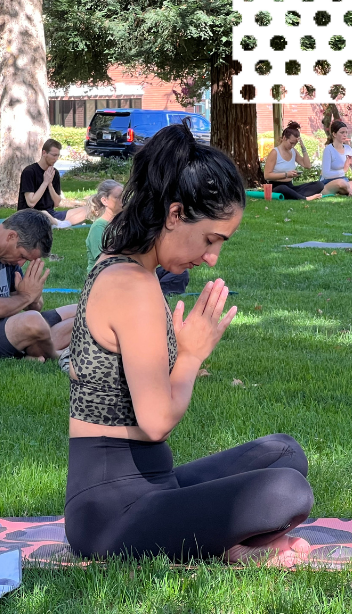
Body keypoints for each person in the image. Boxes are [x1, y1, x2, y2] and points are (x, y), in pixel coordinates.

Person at [64, 123, 316, 565]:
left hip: (148, 484)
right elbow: (157, 421)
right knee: (285, 490)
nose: (211, 257)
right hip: (111, 513)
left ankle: (220, 536)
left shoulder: (122, 266)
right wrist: (192, 356)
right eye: (211, 239)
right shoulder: (132, 286)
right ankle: (229, 543)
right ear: (175, 214)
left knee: (284, 452)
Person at [0, 210, 75, 360]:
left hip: (11, 327)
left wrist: (32, 296)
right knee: (32, 321)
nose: (21, 263)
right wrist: (26, 296)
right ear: (11, 236)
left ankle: (35, 350)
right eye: (22, 256)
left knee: (82, 311)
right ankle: (54, 354)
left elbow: (35, 306)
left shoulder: (8, 255)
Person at [18, 139, 96, 227]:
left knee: (87, 210)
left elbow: (57, 202)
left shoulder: (54, 173)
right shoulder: (29, 172)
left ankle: (61, 224)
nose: (56, 159)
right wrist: (45, 182)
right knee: (43, 213)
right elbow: (31, 203)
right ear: (44, 153)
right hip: (29, 215)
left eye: (58, 155)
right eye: (54, 155)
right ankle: (59, 224)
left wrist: (50, 184)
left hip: (51, 213)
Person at [264, 122, 323, 201]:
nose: (292, 146)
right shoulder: (275, 152)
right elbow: (267, 175)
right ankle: (305, 198)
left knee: (319, 185)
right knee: (283, 188)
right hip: (277, 187)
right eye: (291, 143)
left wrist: (303, 147)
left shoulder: (293, 151)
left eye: (295, 144)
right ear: (284, 138)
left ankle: (294, 195)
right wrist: (286, 175)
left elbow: (307, 165)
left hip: (290, 186)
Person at [317, 120, 351, 198]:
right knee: (341, 183)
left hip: (343, 179)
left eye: (346, 132)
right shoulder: (328, 150)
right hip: (327, 181)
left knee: (345, 183)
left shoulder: (348, 149)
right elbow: (326, 174)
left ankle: (345, 190)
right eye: (342, 133)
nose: (345, 135)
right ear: (334, 134)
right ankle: (345, 190)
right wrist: (344, 171)